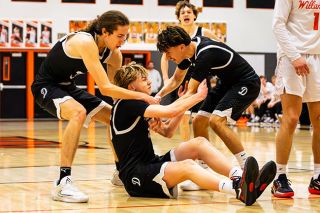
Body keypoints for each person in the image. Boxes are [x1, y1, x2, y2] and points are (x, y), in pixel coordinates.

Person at [31, 10, 157, 203]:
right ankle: (63, 181)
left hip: (69, 88)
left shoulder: (114, 54)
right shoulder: (85, 42)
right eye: (120, 36)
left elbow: (118, 97)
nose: (123, 40)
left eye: (126, 36)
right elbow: (106, 88)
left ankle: (120, 171)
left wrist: (142, 112)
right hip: (46, 87)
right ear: (105, 32)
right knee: (78, 113)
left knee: (113, 116)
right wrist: (144, 97)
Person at [111, 62, 276, 206]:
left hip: (150, 164)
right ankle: (238, 190)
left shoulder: (135, 105)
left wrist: (184, 103)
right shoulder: (127, 104)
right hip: (137, 175)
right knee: (189, 166)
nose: (149, 80)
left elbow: (168, 131)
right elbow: (169, 111)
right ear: (131, 87)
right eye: (143, 79)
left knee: (199, 143)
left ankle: (242, 178)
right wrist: (197, 97)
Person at [156, 26, 261, 175]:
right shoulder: (188, 51)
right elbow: (176, 79)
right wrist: (157, 97)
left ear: (180, 47)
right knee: (199, 121)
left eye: (167, 52)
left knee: (216, 121)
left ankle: (248, 169)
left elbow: (191, 92)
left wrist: (164, 112)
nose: (167, 57)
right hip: (226, 83)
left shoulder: (205, 53)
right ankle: (204, 170)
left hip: (246, 82)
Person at [271, 0, 320, 198]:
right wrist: (294, 56)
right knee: (291, 118)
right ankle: (280, 176)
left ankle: (318, 175)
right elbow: (277, 24)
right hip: (292, 56)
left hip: (317, 57)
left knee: (319, 118)